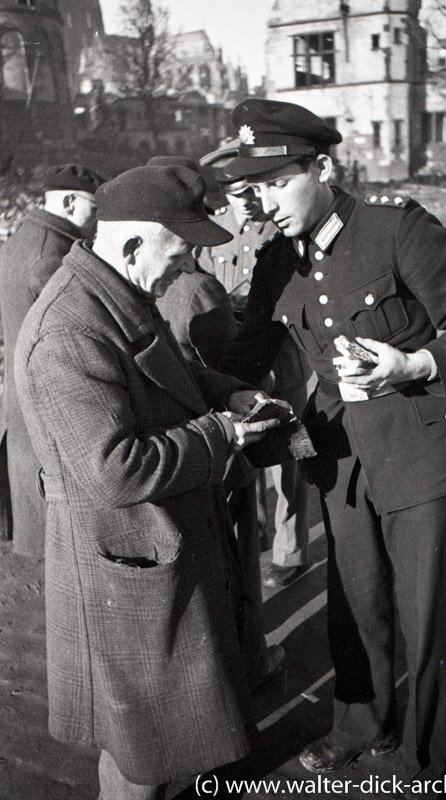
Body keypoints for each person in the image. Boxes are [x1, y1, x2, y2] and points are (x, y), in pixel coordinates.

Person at [220, 98, 446, 796]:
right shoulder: (274, 261)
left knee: (423, 612)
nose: (268, 200)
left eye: (280, 180)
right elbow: (244, 353)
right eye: (255, 187)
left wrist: (412, 366)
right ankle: (360, 727)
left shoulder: (395, 226)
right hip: (340, 458)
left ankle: (427, 757)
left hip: (418, 449)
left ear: (321, 166)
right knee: (356, 602)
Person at [14, 163, 282, 800]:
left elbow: (167, 385)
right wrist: (223, 434)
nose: (190, 261)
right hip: (125, 564)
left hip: (156, 549)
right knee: (143, 765)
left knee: (163, 749)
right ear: (134, 244)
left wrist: (230, 394)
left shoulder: (120, 293)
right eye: (182, 247)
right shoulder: (67, 331)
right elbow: (116, 467)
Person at [153, 157, 286, 690]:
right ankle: (251, 663)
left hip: (184, 454)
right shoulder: (198, 289)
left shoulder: (143, 286)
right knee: (240, 566)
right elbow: (236, 368)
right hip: (222, 451)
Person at [199, 143, 312, 587]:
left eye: (252, 190)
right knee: (245, 457)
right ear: (223, 193)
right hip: (237, 369)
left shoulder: (283, 231)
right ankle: (259, 530)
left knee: (294, 456)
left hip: (284, 365)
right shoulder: (211, 235)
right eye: (234, 193)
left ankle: (291, 550)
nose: (246, 202)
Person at [0, 163, 104, 556]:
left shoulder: (26, 236)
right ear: (70, 201)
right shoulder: (52, 255)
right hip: (48, 408)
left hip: (21, 400)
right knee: (65, 544)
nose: (95, 221)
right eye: (92, 209)